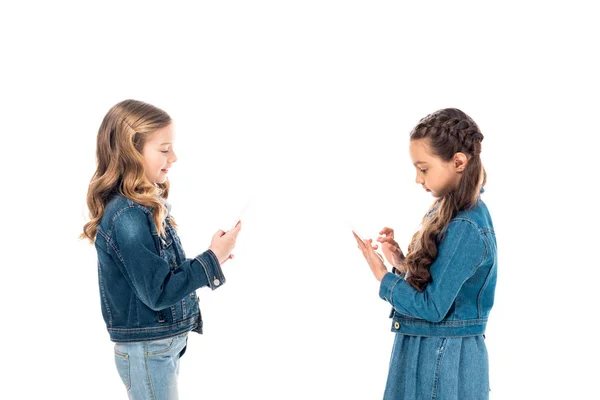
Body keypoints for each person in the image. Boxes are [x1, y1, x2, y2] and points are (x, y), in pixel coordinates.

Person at [81, 99, 241, 399]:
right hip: (148, 350)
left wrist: (214, 257)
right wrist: (212, 259)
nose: (175, 157)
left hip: (158, 346)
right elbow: (158, 293)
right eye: (164, 149)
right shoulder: (127, 217)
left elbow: (160, 278)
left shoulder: (142, 209)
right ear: (131, 151)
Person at [353, 108, 497, 400]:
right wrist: (401, 264)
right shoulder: (447, 209)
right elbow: (444, 286)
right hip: (430, 351)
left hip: (441, 358)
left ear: (458, 162)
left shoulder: (467, 226)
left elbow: (432, 308)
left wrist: (381, 276)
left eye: (424, 168)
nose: (419, 179)